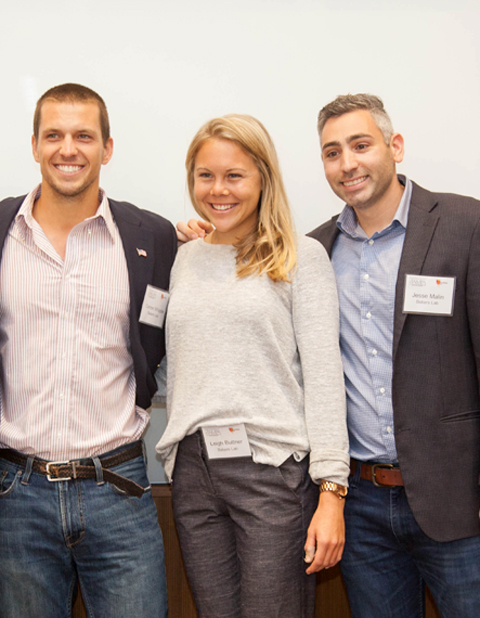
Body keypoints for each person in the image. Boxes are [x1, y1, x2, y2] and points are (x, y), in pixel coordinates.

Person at [176, 94, 480, 618]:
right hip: (357, 499)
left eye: (360, 145)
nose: (347, 163)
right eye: (332, 152)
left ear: (395, 146)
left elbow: (322, 376)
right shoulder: (315, 245)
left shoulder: (460, 224)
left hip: (448, 492)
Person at [156, 114, 349, 618]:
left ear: (263, 177)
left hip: (271, 470)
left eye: (234, 175)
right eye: (205, 175)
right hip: (194, 471)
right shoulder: (184, 258)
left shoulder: (300, 256)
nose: (218, 190)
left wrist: (332, 491)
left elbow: (325, 376)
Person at [0, 83, 176, 618]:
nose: (67, 149)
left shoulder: (153, 236)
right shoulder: (0, 231)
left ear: (108, 147)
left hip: (119, 490)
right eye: (53, 135)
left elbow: (166, 339)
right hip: (16, 495)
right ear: (33, 145)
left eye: (83, 136)